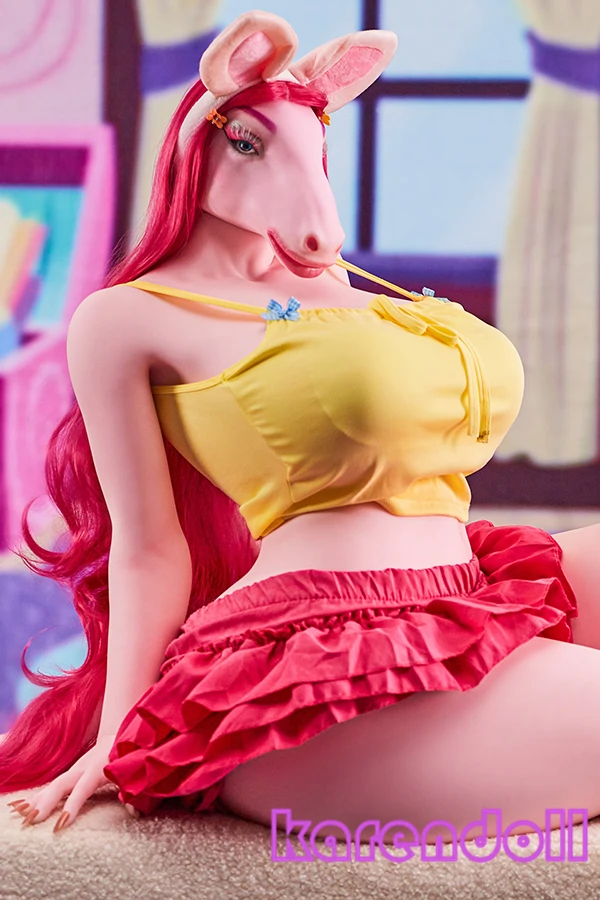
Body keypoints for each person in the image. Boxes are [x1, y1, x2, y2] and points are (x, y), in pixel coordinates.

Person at [3, 11, 600, 846]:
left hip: (459, 590)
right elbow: (151, 549)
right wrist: (116, 739)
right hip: (314, 670)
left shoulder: (334, 284)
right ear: (202, 147)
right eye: (250, 145)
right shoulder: (128, 317)